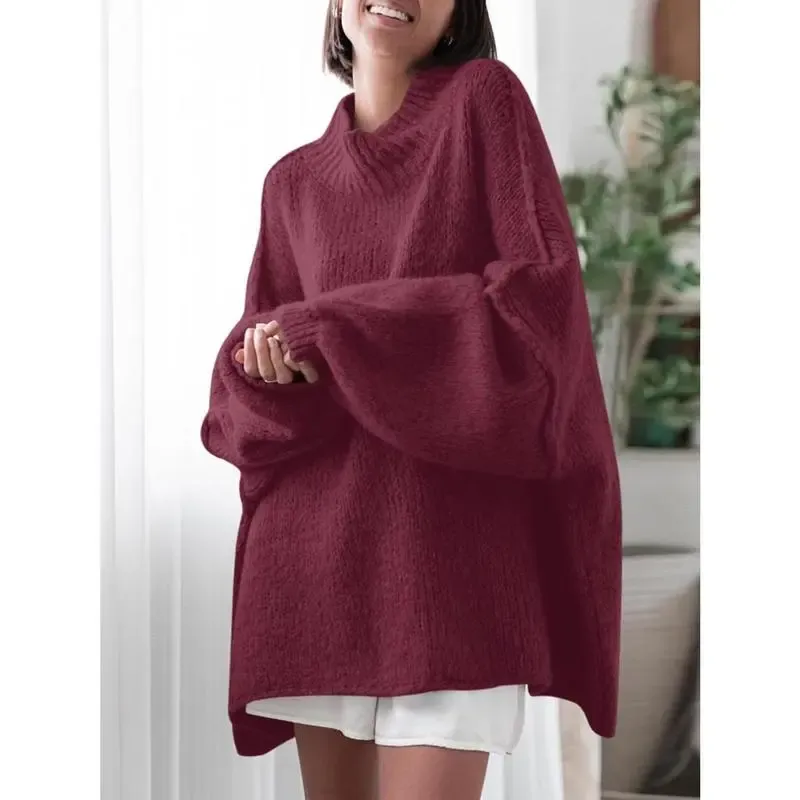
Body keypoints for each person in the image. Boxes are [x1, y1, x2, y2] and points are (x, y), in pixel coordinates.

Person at [200, 1, 622, 798]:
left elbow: (538, 313)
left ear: (460, 12)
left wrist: (334, 333)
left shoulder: (485, 102)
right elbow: (245, 398)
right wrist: (273, 371)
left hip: (449, 561)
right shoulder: (290, 183)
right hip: (311, 558)